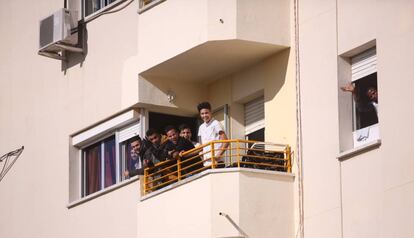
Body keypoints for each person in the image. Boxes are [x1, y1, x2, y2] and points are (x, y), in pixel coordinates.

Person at [197, 102, 229, 167]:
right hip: (206, 163)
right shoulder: (201, 127)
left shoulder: (216, 123)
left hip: (217, 162)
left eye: (206, 113)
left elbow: (226, 141)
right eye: (202, 114)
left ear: (211, 112)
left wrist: (218, 156)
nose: (204, 115)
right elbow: (201, 146)